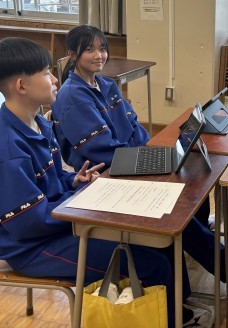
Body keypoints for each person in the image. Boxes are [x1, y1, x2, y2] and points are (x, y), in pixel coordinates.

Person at [0, 38, 214, 326]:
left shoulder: (37, 123)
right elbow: (27, 224)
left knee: (160, 240)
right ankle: (169, 317)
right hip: (32, 248)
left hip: (57, 224)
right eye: (46, 73)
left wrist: (73, 181)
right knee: (150, 264)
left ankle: (177, 313)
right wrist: (86, 203)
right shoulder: (3, 150)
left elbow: (52, 180)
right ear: (21, 86)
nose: (54, 79)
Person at [52, 25, 212, 225]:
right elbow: (99, 148)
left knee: (193, 171)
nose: (99, 55)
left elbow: (133, 124)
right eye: (89, 50)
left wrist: (148, 152)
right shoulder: (72, 96)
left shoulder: (106, 84)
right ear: (72, 54)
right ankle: (200, 239)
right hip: (106, 170)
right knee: (172, 197)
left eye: (102, 49)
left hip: (128, 157)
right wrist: (142, 161)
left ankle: (203, 227)